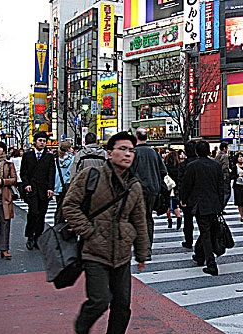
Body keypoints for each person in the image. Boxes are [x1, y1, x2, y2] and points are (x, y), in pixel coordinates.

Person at [63, 131, 148, 334]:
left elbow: (139, 220)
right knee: (100, 300)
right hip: (94, 251)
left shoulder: (134, 186)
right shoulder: (90, 176)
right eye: (122, 149)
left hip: (121, 253)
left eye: (131, 151)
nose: (128, 154)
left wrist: (142, 253)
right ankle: (81, 327)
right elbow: (70, 205)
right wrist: (88, 231)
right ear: (109, 153)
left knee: (122, 306)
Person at [181, 140, 224, 276]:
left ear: (196, 152)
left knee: (205, 233)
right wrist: (221, 204)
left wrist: (183, 199)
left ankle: (211, 263)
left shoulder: (193, 166)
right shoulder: (216, 165)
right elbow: (220, 186)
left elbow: (186, 184)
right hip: (214, 203)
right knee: (207, 230)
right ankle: (200, 255)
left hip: (201, 204)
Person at [130, 127, 167, 260]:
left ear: (136, 138)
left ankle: (141, 249)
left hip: (137, 190)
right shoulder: (154, 153)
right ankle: (147, 249)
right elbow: (163, 171)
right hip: (153, 189)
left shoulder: (134, 152)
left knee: (138, 219)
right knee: (148, 218)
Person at [20, 131, 56, 250]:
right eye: (40, 141)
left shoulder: (49, 156)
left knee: (42, 214)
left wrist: (51, 188)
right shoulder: (27, 155)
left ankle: (38, 237)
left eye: (44, 141)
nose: (42, 143)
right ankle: (30, 236)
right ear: (35, 141)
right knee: (33, 212)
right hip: (32, 188)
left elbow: (52, 173)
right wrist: (26, 184)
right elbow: (23, 172)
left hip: (44, 189)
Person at [178, 140, 198, 249]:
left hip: (188, 197)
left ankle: (188, 241)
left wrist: (182, 198)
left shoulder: (183, 165)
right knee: (203, 223)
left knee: (188, 221)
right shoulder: (201, 163)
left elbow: (181, 183)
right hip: (200, 197)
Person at [165, 151, 182, 230]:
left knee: (167, 205)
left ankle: (170, 221)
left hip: (168, 187)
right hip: (176, 187)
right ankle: (178, 217)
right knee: (175, 205)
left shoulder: (166, 166)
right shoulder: (179, 166)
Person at [53, 141, 74, 207]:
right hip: (67, 185)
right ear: (68, 149)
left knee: (59, 206)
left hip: (58, 185)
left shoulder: (56, 160)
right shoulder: (72, 159)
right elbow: (71, 172)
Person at [231, 152, 243, 222]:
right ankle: (242, 215)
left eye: (242, 157)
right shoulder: (235, 167)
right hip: (238, 185)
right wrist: (238, 176)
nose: (241, 158)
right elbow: (231, 176)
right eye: (239, 157)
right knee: (239, 202)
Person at [215, 142, 231, 210]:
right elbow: (225, 166)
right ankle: (220, 208)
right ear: (224, 148)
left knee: (220, 193)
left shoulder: (217, 156)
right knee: (227, 193)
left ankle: (220, 207)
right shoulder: (225, 156)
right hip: (224, 176)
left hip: (218, 176)